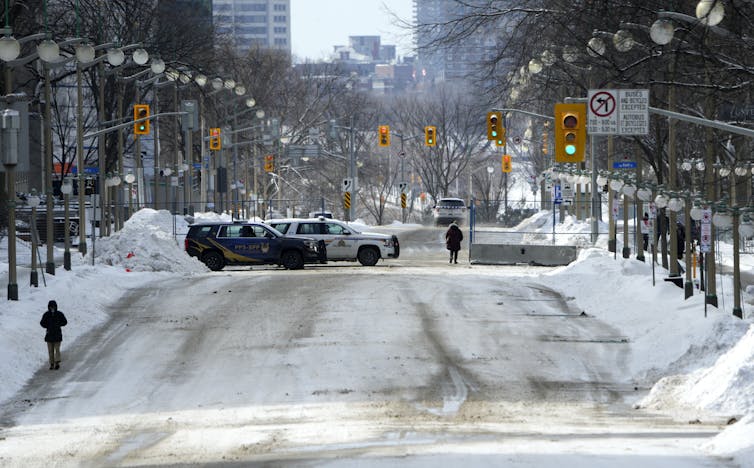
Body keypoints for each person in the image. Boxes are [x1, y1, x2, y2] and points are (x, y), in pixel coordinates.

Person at [40, 300, 67, 370]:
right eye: (51, 307)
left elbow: (65, 322)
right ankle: (52, 364)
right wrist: (48, 326)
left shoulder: (59, 314)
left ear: (56, 307)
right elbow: (42, 323)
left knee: (57, 349)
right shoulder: (46, 314)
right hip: (49, 335)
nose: (52, 308)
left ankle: (57, 362)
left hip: (57, 335)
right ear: (48, 307)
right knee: (50, 351)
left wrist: (58, 325)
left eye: (53, 307)